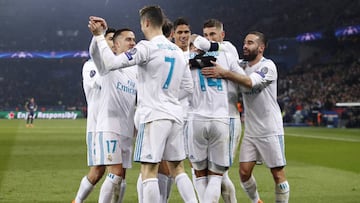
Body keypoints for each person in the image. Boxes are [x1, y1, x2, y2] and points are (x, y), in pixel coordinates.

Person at [87, 5, 197, 203]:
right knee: (178, 169)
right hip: (175, 115)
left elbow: (111, 63)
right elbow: (188, 87)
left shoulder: (147, 47)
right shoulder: (177, 51)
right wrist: (167, 96)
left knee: (149, 171)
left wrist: (99, 37)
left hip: (153, 116)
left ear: (146, 23)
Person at [201, 31, 290, 203]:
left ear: (261, 47)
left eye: (250, 43)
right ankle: (257, 201)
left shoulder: (268, 66)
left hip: (270, 129)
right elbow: (224, 58)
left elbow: (250, 82)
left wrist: (224, 73)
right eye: (244, 43)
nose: (245, 46)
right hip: (251, 130)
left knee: (278, 174)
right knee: (243, 173)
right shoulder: (241, 65)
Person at [186, 18, 244, 203]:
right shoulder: (213, 55)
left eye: (213, 34)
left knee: (217, 175)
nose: (209, 38)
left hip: (229, 117)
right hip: (217, 118)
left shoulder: (227, 48)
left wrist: (194, 42)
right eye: (206, 35)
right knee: (217, 175)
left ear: (222, 35)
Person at [72, 27, 116, 203]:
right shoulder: (90, 66)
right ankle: (77, 200)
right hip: (97, 127)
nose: (114, 42)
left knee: (116, 172)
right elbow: (100, 82)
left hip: (116, 126)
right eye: (110, 38)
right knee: (101, 171)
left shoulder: (120, 65)